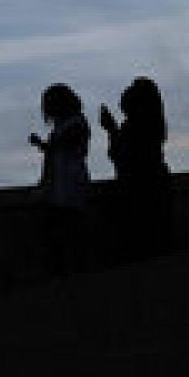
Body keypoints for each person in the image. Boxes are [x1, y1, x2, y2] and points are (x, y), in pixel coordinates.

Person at [100, 76, 175, 261]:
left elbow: (120, 155)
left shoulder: (135, 126)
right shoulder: (152, 124)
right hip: (154, 183)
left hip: (138, 187)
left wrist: (111, 129)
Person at [29, 83, 91, 277]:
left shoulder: (76, 124)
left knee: (70, 243)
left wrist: (44, 144)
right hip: (59, 192)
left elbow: (63, 145)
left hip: (70, 190)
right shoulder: (66, 126)